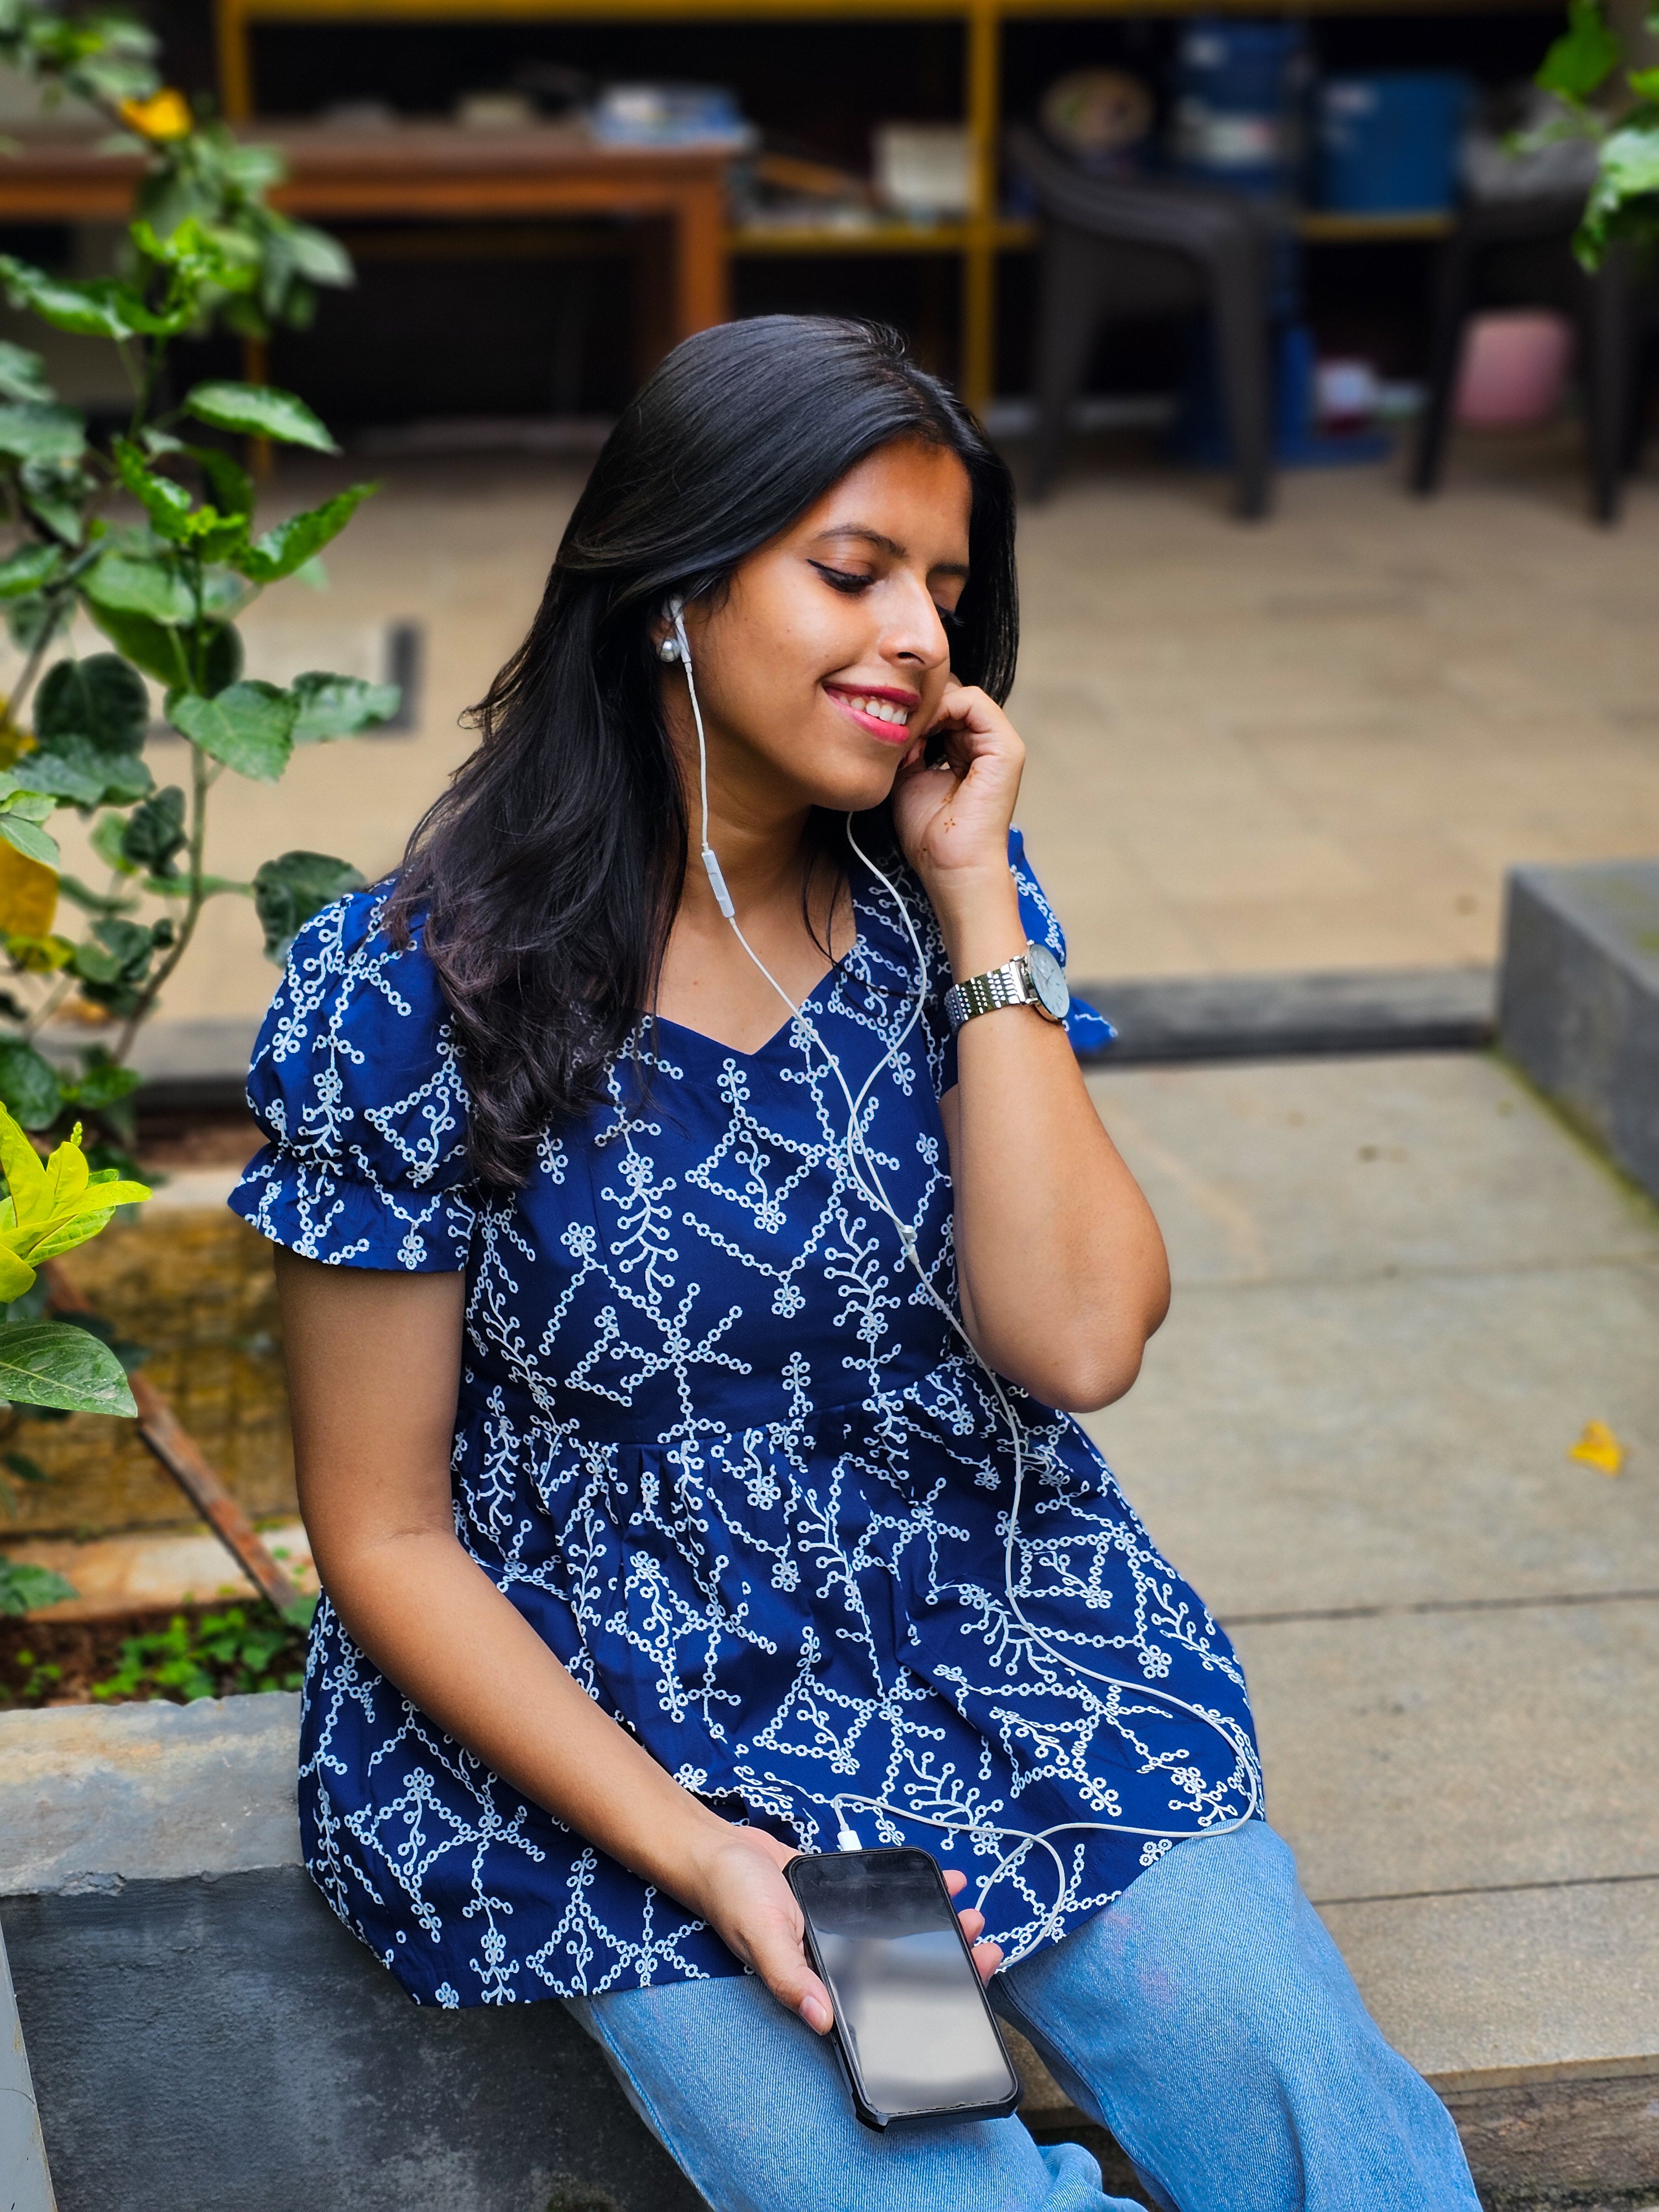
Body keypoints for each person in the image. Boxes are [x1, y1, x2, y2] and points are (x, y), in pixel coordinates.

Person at [232, 316, 1480, 2212]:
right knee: (930, 2191)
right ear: (670, 584)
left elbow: (1073, 1342)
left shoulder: (938, 908)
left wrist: (979, 899)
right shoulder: (411, 992)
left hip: (988, 1642)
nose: (920, 638)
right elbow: (387, 1537)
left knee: (1337, 2139)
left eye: (950, 592)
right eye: (854, 571)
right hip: (624, 1716)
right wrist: (711, 1852)